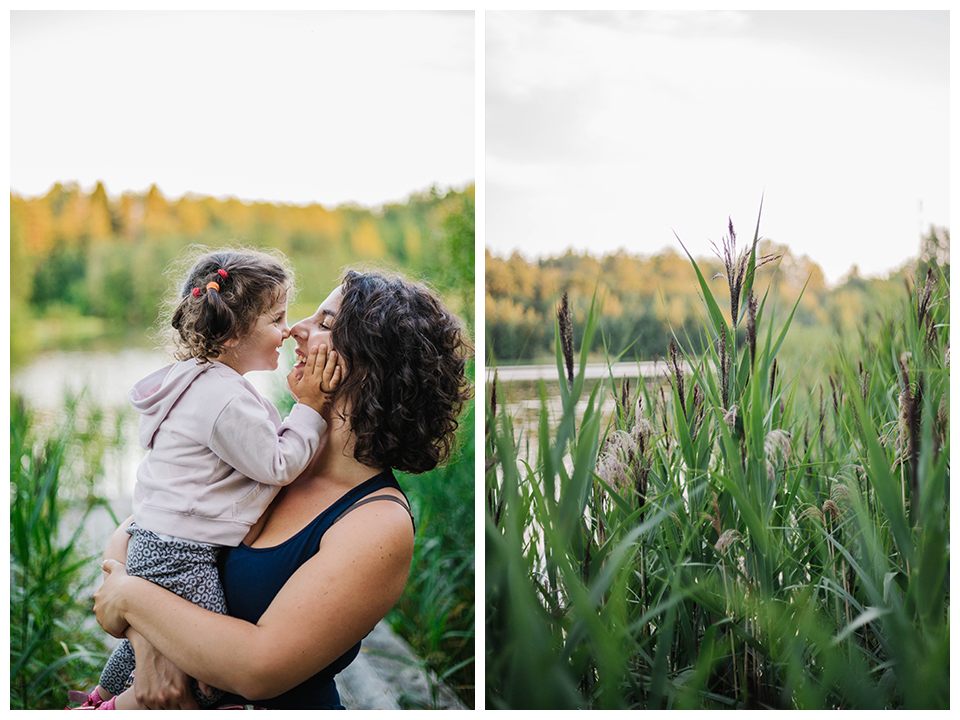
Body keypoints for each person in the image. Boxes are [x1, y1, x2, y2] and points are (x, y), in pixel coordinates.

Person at [92, 268, 472, 709]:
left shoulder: (377, 522)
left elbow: (257, 669)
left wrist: (131, 597)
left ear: (372, 367)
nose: (295, 330)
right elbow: (139, 530)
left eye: (326, 324)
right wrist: (151, 647)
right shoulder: (274, 452)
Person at [70, 248, 341, 710]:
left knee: (151, 640)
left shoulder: (199, 380)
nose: (287, 330)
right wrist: (311, 410)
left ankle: (102, 696)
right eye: (277, 319)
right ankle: (126, 707)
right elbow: (277, 464)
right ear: (235, 333)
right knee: (205, 662)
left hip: (159, 540)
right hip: (183, 553)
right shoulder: (222, 399)